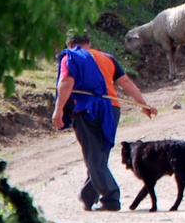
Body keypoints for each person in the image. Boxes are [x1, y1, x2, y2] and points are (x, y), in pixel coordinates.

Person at [52, 32, 157, 211]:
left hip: (87, 110)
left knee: (94, 156)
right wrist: (143, 104)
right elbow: (126, 82)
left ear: (70, 43)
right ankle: (88, 196)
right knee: (99, 156)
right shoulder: (106, 58)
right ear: (89, 42)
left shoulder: (70, 56)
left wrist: (58, 109)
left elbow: (67, 82)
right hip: (112, 109)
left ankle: (111, 197)